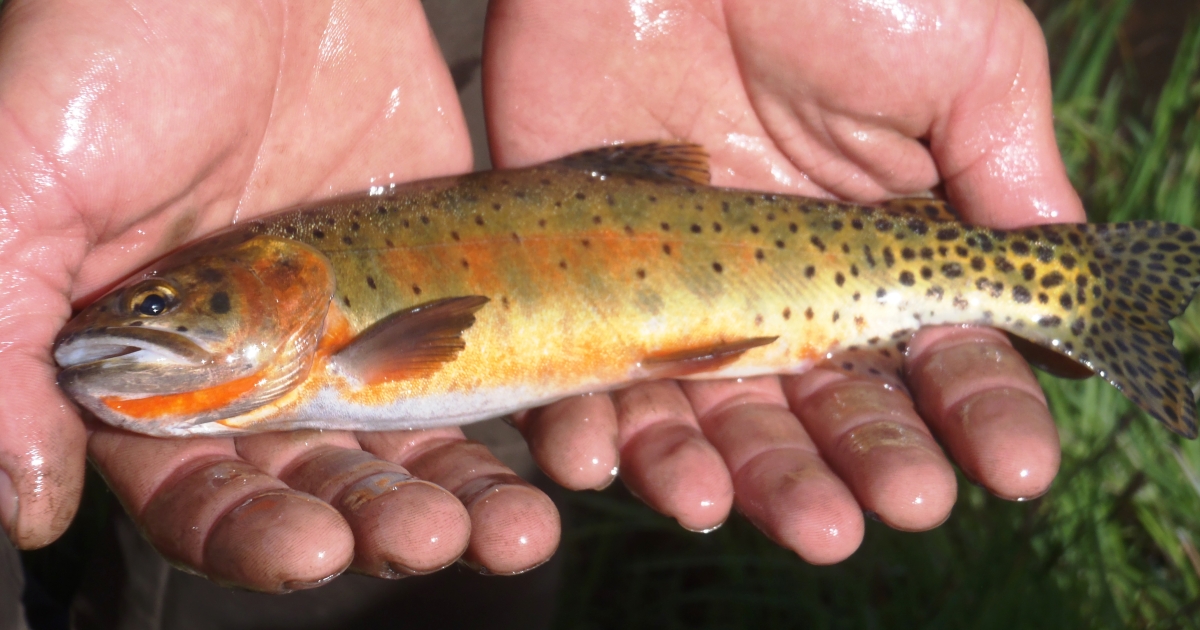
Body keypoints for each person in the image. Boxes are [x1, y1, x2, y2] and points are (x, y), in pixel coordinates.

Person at [0, 0, 1081, 596]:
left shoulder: (353, 350)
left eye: (165, 311)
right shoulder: (309, 323)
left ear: (285, 291)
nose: (130, 331)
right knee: (341, 533)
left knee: (459, 542)